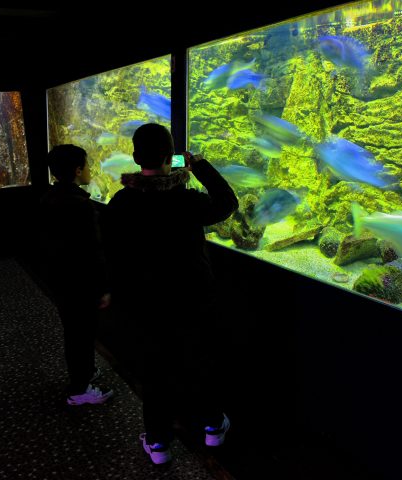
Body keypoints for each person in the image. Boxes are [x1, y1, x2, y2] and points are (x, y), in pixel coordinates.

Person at [101, 123, 238, 465]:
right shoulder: (187, 200)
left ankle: (159, 443)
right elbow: (227, 202)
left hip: (144, 303)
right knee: (200, 360)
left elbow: (111, 252)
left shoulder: (120, 202)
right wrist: (200, 165)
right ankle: (212, 427)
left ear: (135, 158)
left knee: (154, 369)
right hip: (193, 298)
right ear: (171, 157)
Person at [38, 144, 114, 405]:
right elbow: (93, 253)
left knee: (75, 331)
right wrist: (103, 288)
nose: (90, 169)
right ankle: (79, 390)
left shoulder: (50, 198)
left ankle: (86, 372)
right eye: (88, 165)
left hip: (60, 282)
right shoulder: (81, 206)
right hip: (81, 286)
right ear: (78, 170)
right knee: (81, 335)